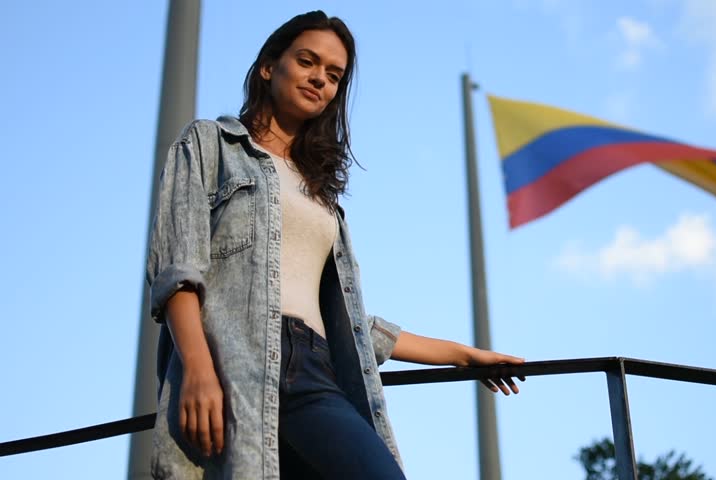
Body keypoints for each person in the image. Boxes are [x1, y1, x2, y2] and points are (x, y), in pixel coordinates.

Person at [146, 10, 525, 480]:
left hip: (317, 365)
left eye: (334, 76)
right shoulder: (210, 143)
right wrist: (199, 370)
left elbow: (349, 321)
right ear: (269, 65)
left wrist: (465, 356)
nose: (320, 80)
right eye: (307, 61)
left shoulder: (320, 196)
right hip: (238, 362)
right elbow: (179, 267)